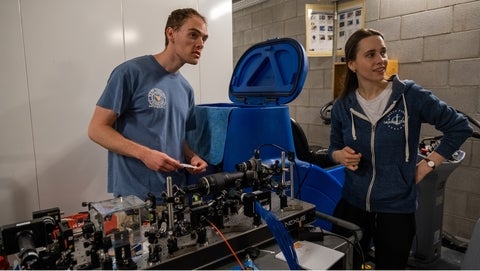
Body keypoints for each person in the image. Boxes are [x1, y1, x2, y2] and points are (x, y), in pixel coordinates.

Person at [328, 28, 472, 270]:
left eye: (383, 53)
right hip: (352, 204)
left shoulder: (410, 96)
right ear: (352, 64)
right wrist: (339, 155)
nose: (380, 60)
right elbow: (333, 147)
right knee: (346, 265)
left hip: (396, 209)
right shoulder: (343, 105)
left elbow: (459, 127)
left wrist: (428, 166)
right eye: (371, 54)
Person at [88, 8, 209, 202]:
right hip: (136, 197)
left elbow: (178, 137)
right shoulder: (130, 73)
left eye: (204, 38)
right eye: (193, 35)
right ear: (171, 33)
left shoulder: (186, 89)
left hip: (175, 193)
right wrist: (144, 154)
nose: (200, 44)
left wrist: (191, 156)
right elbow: (96, 129)